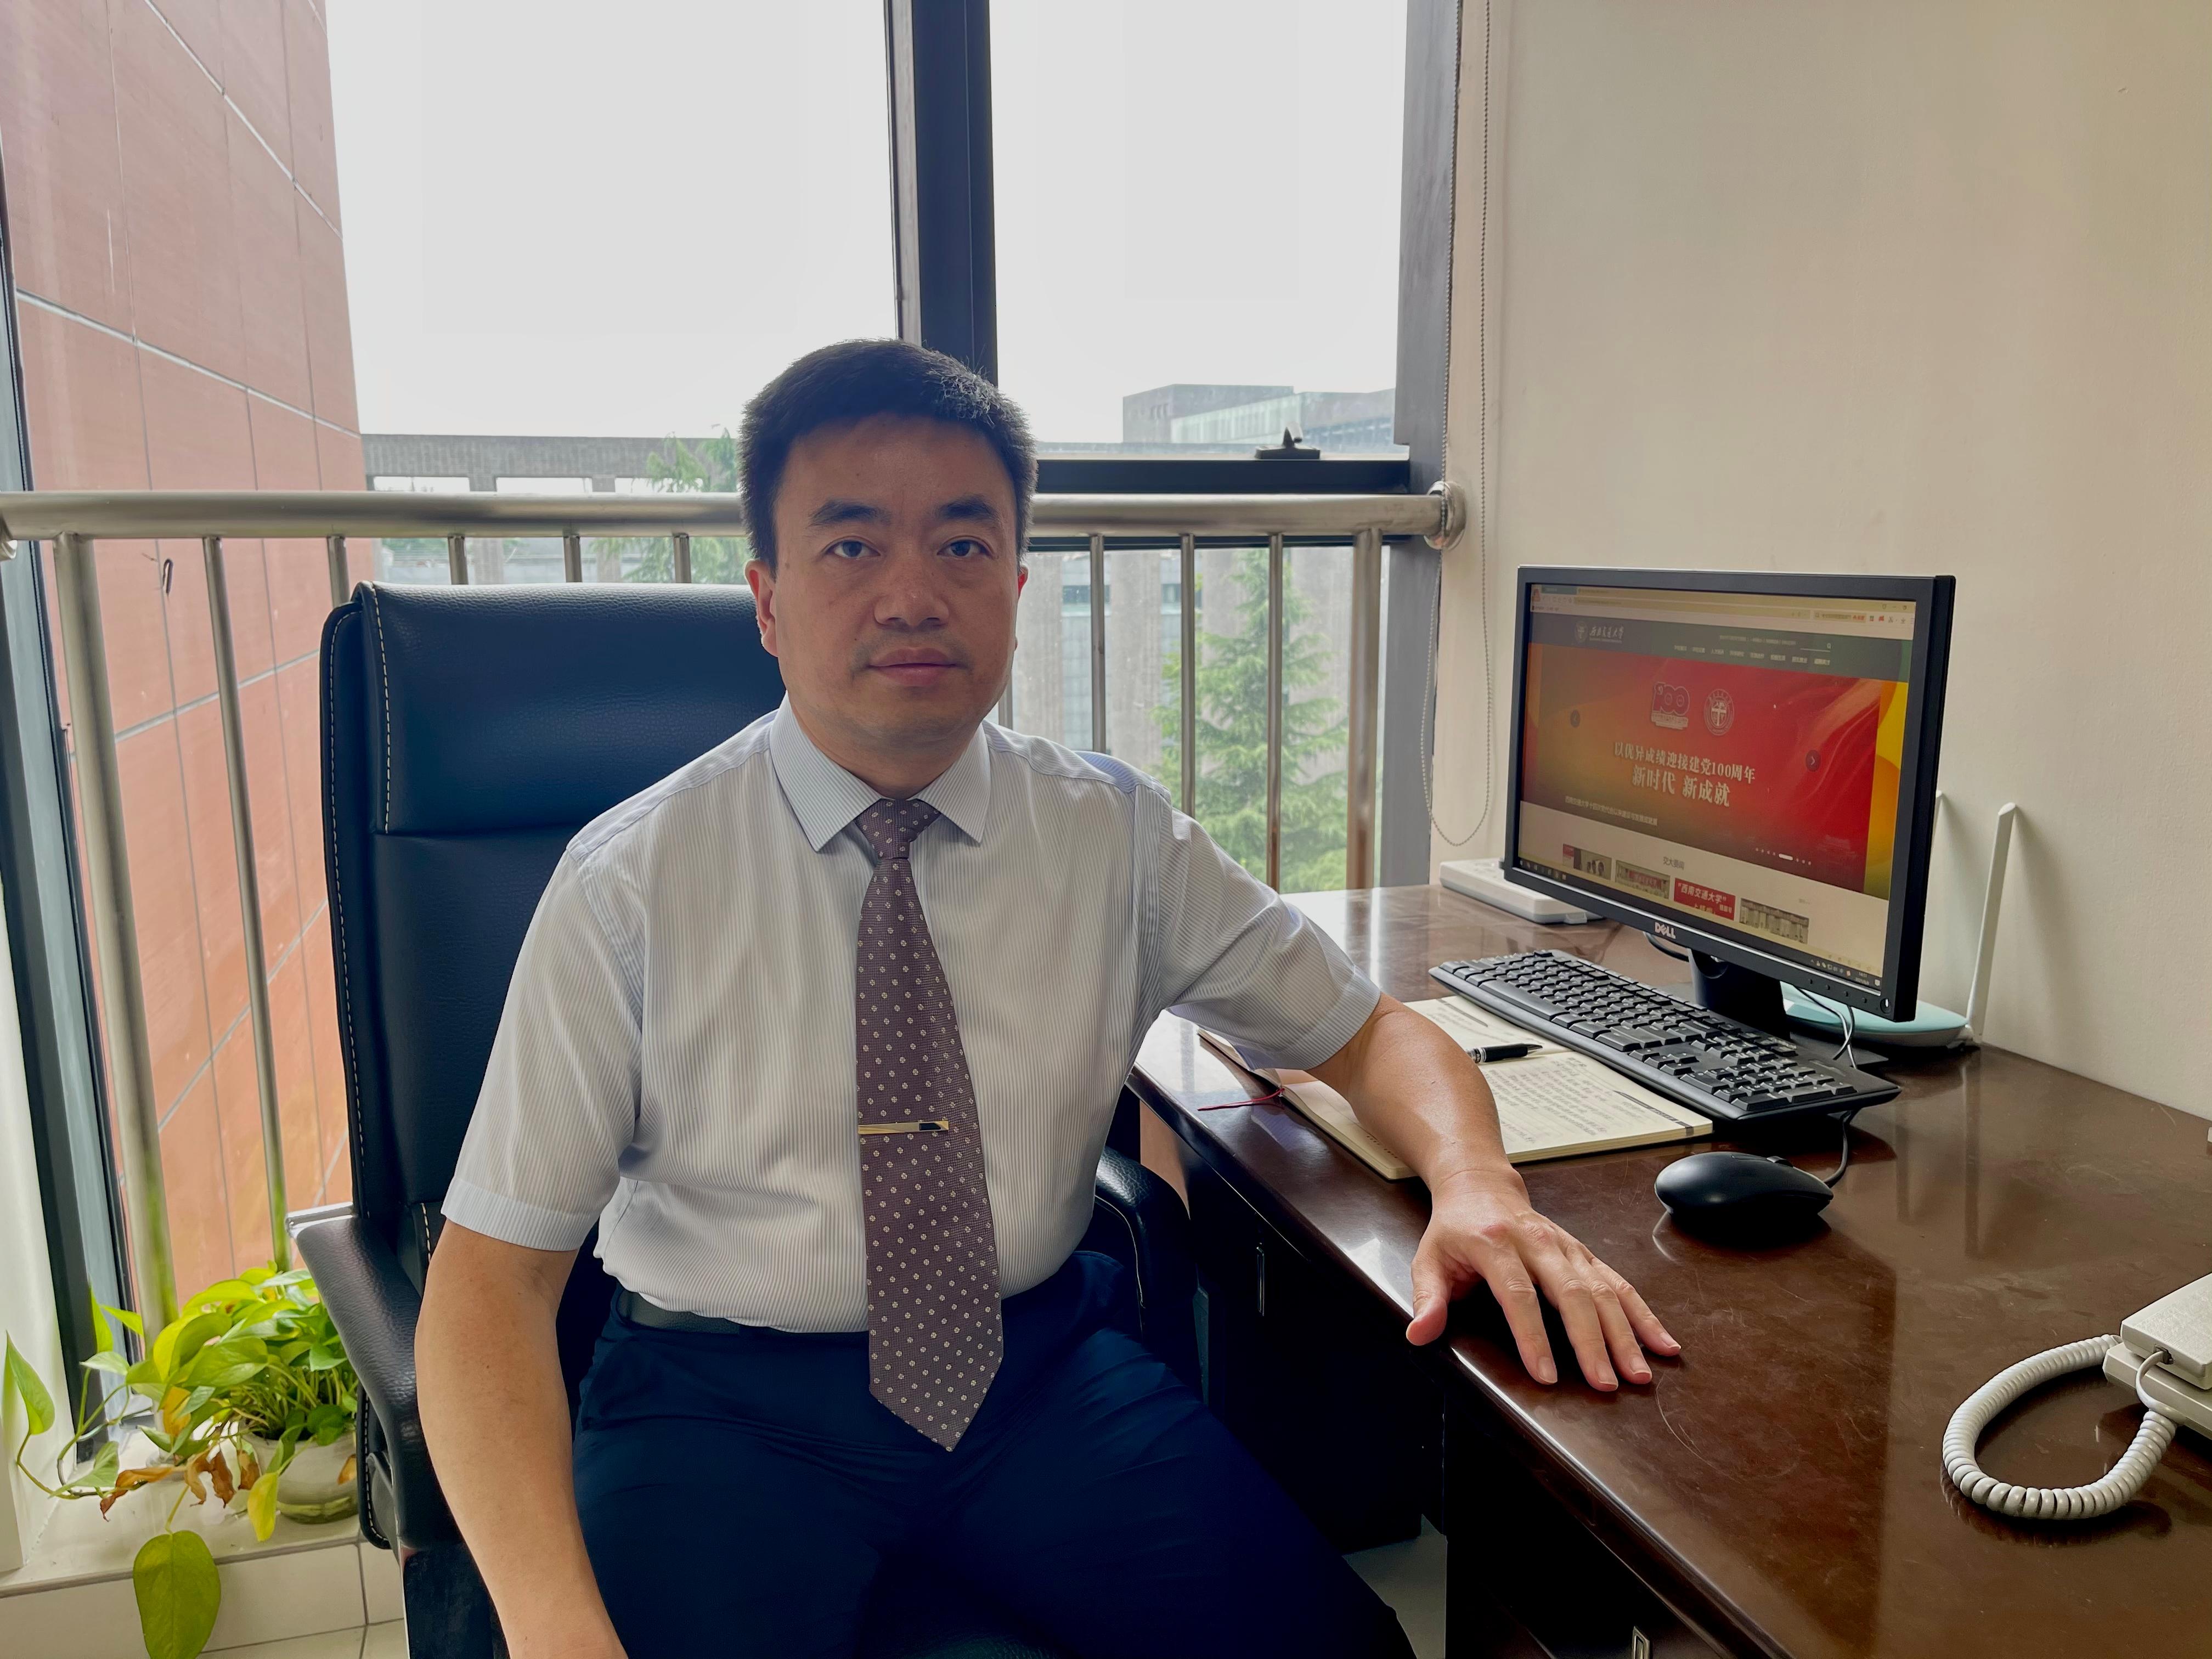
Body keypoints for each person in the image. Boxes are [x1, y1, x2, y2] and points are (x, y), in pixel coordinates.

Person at [415, 338, 1678, 1659]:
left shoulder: (1109, 834)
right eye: (851, 546)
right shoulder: (631, 880)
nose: (914, 595)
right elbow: (490, 1285)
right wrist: (552, 1629)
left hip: (1036, 1381)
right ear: (768, 600)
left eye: (963, 546)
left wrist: (1478, 1187)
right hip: (719, 1403)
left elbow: (1371, 1035)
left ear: (1018, 589)